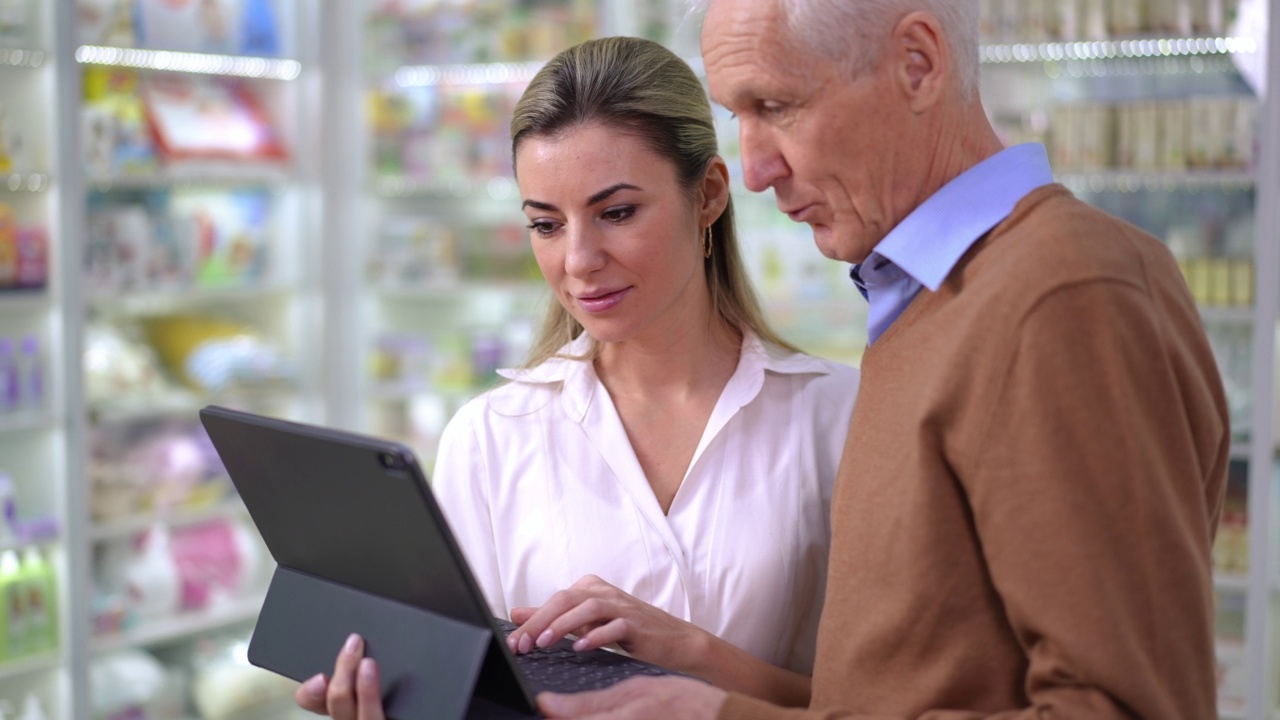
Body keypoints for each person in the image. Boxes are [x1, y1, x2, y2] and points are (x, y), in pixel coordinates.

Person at [533, 0, 1231, 718]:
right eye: (737, 115)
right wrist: (704, 672)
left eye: (776, 105)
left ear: (918, 65)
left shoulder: (1060, 295)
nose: (755, 169)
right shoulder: (935, 301)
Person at [294, 35, 860, 719]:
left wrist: (698, 658)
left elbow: (890, 705)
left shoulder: (838, 416)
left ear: (708, 195)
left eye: (616, 213)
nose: (579, 260)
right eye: (546, 224)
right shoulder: (491, 437)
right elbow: (478, 699)